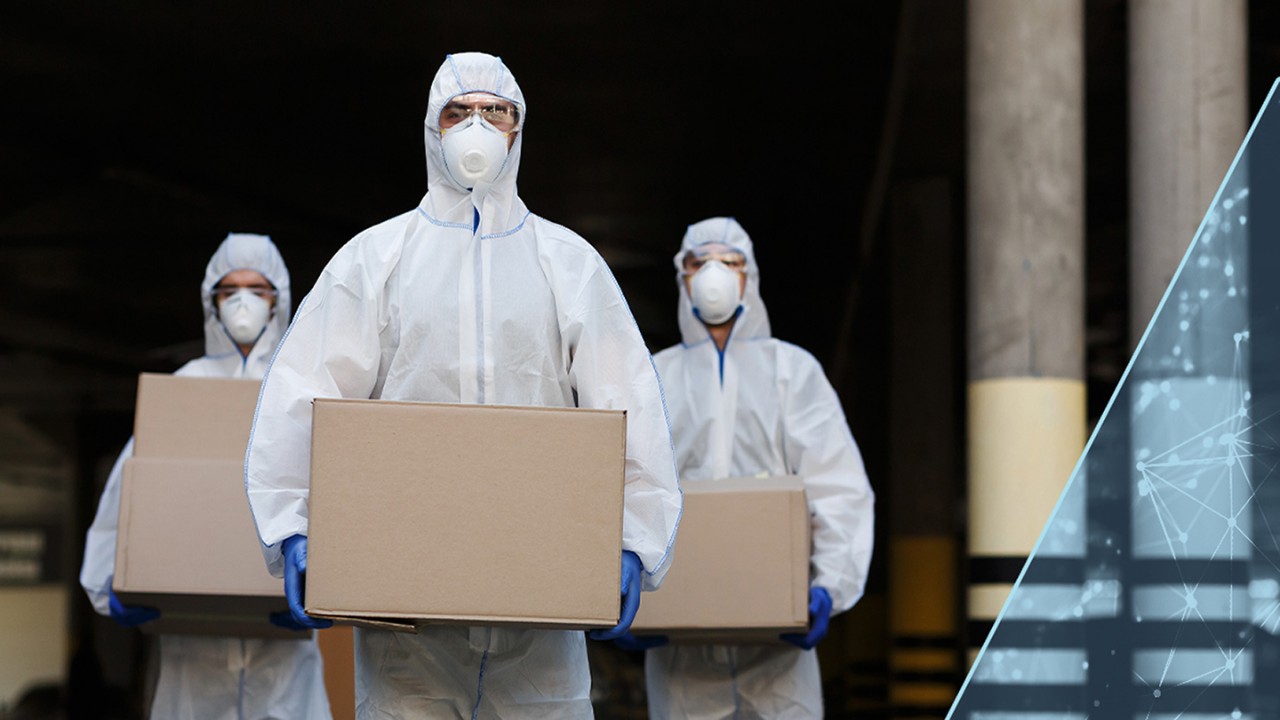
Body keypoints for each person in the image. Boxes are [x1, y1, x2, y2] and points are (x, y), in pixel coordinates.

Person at [243, 52, 682, 718]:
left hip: (541, 612)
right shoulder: (373, 260)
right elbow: (303, 395)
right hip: (405, 621)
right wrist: (293, 528)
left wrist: (634, 540)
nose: (476, 128)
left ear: (518, 130)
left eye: (495, 113)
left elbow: (629, 403)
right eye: (459, 112)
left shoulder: (568, 265)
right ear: (432, 127)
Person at [79, 233, 332, 720]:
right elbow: (130, 492)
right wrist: (111, 586)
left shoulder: (302, 387)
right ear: (211, 300)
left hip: (284, 664)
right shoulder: (184, 388)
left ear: (278, 298)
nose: (243, 301)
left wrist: (332, 587)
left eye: (257, 289)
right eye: (229, 289)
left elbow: (341, 492)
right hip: (191, 660)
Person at [637, 217, 875, 719]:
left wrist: (826, 588)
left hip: (778, 655)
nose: (714, 273)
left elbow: (839, 487)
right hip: (681, 653)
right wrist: (626, 592)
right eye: (699, 263)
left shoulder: (792, 371)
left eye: (730, 262)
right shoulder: (655, 375)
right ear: (682, 278)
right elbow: (628, 488)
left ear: (751, 277)